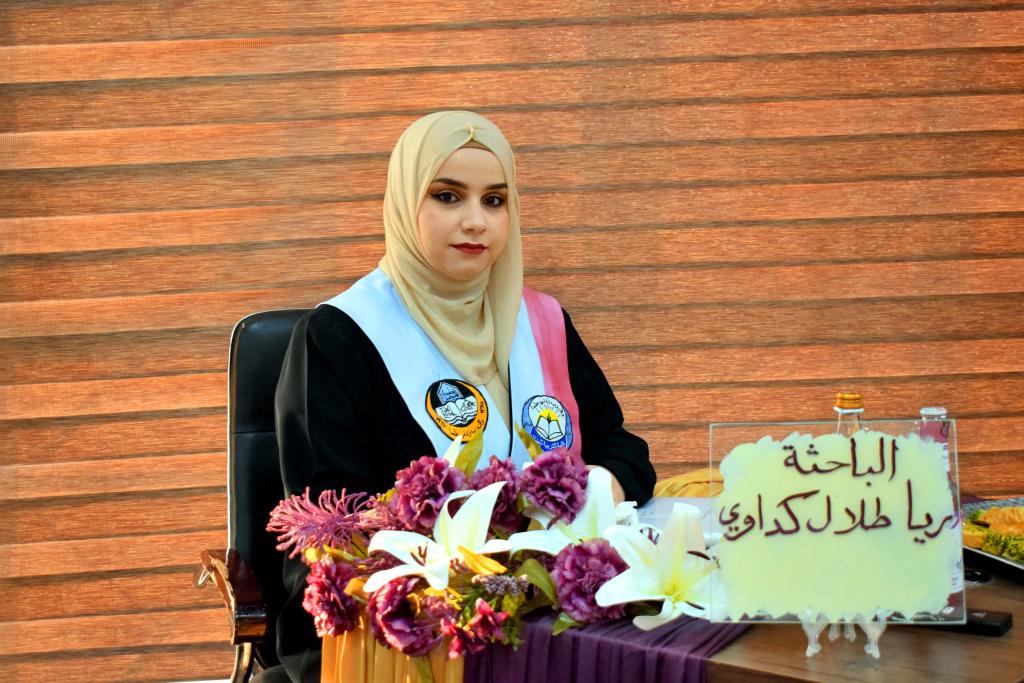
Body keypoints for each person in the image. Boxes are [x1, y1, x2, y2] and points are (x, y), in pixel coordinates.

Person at [258, 111, 656, 682]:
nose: (476, 221)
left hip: (557, 617)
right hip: (410, 635)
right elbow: (331, 530)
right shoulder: (339, 338)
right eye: (447, 196)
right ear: (405, 202)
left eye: (494, 200)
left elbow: (622, 448)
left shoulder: (541, 321)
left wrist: (593, 489)